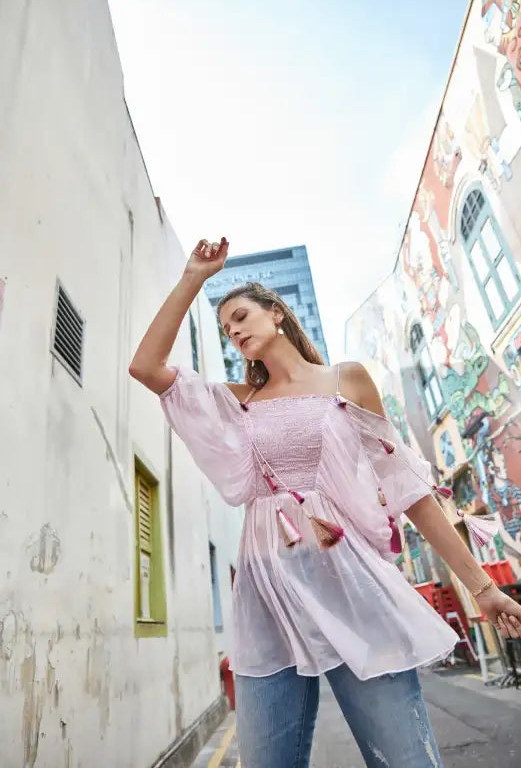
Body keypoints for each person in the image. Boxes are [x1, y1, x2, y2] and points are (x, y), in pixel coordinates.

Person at [129, 237, 521, 768]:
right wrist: (194, 276)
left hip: (351, 588)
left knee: (406, 761)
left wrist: (482, 588)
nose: (235, 331)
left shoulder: (347, 380)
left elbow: (409, 490)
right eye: (226, 328)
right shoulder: (239, 403)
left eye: (242, 316)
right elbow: (146, 367)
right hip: (266, 601)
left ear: (277, 314)